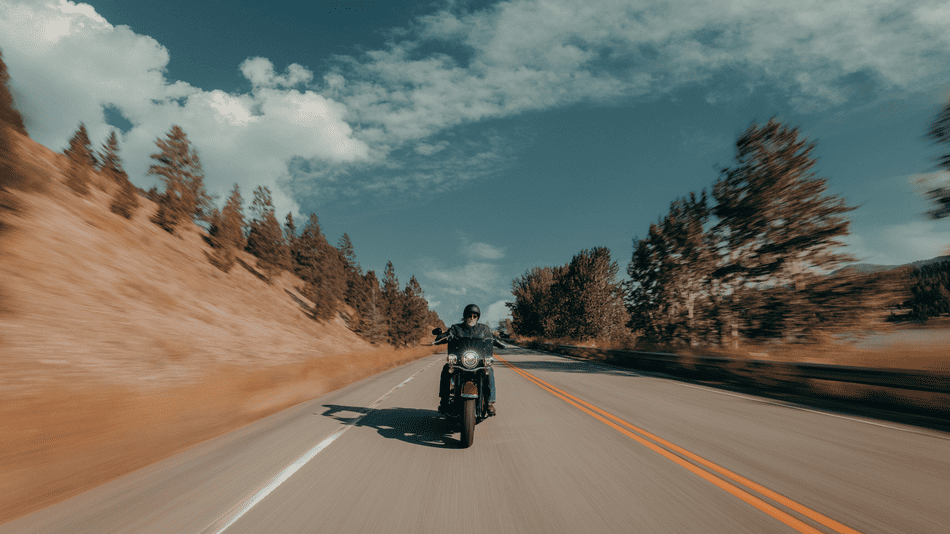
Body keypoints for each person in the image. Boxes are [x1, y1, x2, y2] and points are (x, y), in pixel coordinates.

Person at [437, 304, 504, 416]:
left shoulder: (484, 329)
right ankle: (444, 401)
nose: (472, 318)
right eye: (469, 315)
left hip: (478, 362)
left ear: (477, 317)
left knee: (489, 371)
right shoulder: (456, 328)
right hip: (460, 362)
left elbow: (492, 338)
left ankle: (490, 402)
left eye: (474, 316)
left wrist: (498, 341)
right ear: (465, 316)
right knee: (446, 369)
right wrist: (441, 337)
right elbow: (446, 335)